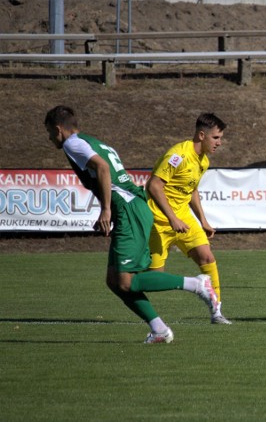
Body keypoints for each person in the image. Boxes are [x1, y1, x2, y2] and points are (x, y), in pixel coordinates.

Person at [44, 105, 217, 344]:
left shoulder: (72, 143)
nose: (50, 138)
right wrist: (110, 211)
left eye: (49, 133)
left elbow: (103, 169)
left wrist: (106, 209)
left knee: (128, 280)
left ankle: (197, 284)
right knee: (115, 281)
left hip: (129, 209)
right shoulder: (93, 142)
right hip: (130, 207)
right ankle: (159, 329)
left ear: (57, 128)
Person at [146, 113, 232, 324]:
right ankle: (191, 284)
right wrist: (172, 218)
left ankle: (217, 312)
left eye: (220, 138)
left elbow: (191, 189)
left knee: (207, 257)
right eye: (216, 138)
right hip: (158, 219)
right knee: (153, 277)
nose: (219, 143)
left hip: (183, 215)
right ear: (202, 135)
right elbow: (154, 185)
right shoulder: (178, 156)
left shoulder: (203, 160)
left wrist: (202, 220)